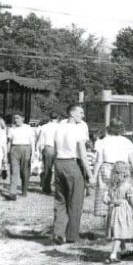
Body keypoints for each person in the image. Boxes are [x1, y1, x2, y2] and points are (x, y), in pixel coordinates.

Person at [51, 103, 92, 244]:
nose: (83, 115)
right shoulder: (78, 130)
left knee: (60, 200)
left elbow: (55, 150)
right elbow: (83, 155)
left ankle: (58, 231)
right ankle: (71, 235)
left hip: (59, 163)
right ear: (73, 113)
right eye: (81, 112)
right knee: (75, 201)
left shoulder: (58, 128)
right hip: (72, 164)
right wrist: (90, 175)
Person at [93, 121, 133, 220]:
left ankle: (106, 222)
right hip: (122, 169)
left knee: (105, 195)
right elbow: (132, 161)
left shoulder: (103, 141)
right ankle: (120, 221)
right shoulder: (127, 142)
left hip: (106, 168)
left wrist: (93, 176)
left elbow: (99, 160)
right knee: (121, 194)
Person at [104, 162, 133, 264]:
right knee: (119, 234)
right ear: (126, 173)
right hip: (123, 211)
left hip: (114, 210)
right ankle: (113, 254)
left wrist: (112, 202)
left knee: (119, 230)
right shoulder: (127, 186)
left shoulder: (112, 186)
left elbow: (106, 199)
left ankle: (124, 251)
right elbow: (131, 200)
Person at [5, 113, 35, 200]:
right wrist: (8, 152)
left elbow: (32, 141)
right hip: (14, 149)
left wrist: (33, 154)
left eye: (17, 118)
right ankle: (13, 193)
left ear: (23, 118)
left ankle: (24, 191)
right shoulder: (11, 129)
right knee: (14, 171)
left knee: (25, 171)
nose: (15, 120)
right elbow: (9, 142)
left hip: (26, 148)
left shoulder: (28, 128)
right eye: (14, 118)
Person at [37, 112, 61, 194]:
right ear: (57, 117)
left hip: (48, 148)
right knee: (59, 170)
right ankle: (59, 188)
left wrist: (40, 151)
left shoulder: (44, 127)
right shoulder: (60, 127)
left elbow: (41, 141)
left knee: (48, 169)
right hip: (59, 149)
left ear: (49, 117)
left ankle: (46, 188)